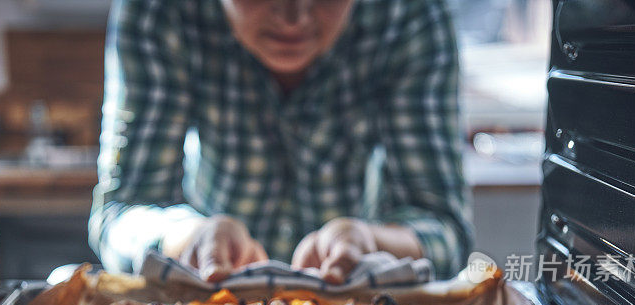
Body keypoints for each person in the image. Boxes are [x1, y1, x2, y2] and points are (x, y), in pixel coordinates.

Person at [90, 0, 472, 284]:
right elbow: (120, 213)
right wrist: (187, 238)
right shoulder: (158, 10)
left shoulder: (411, 13)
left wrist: (371, 241)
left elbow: (446, 230)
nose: (295, 16)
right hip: (202, 301)